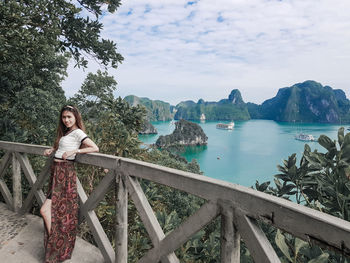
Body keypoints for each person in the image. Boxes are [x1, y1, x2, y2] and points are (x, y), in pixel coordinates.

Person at [41, 105, 99, 263]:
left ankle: (57, 243)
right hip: (57, 172)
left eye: (69, 117)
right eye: (64, 117)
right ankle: (58, 243)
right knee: (52, 212)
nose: (66, 120)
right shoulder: (65, 133)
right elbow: (61, 148)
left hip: (65, 174)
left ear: (75, 118)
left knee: (47, 211)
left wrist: (76, 151)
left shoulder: (78, 133)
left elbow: (94, 148)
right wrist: (51, 149)